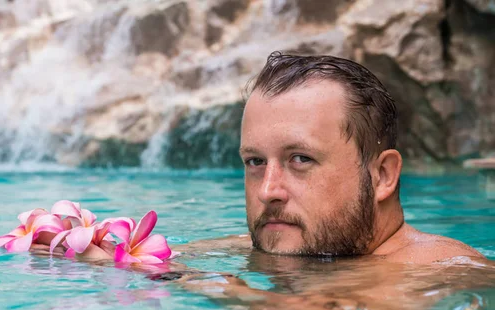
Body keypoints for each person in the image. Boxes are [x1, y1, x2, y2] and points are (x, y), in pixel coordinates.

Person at [184, 51, 484, 264]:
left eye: (300, 159)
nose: (267, 191)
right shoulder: (286, 244)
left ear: (382, 176)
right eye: (256, 162)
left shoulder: (446, 271)